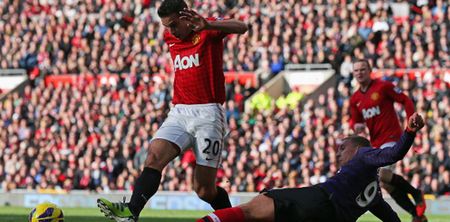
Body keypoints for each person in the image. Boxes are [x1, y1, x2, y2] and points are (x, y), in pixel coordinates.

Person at [97, 0, 248, 221]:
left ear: (186, 17)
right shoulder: (170, 37)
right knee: (154, 156)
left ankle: (233, 218)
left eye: (174, 24)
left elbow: (242, 27)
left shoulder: (207, 30)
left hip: (208, 115)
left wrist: (207, 25)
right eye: (166, 26)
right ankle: (131, 212)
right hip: (179, 111)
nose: (171, 31)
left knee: (205, 190)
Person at [197, 113, 425, 222]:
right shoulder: (374, 193)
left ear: (356, 148)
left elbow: (394, 153)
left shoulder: (363, 154)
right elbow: (392, 219)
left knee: (255, 207)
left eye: (342, 147)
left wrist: (409, 132)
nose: (338, 153)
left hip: (321, 201)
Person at [349, 59, 427, 222]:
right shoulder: (355, 98)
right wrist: (355, 126)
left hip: (392, 137)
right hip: (375, 143)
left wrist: (410, 118)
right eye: (356, 70)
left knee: (381, 174)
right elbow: (355, 120)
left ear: (370, 70)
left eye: (363, 69)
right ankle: (416, 214)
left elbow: (404, 99)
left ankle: (416, 193)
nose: (359, 73)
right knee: (386, 183)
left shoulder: (383, 87)